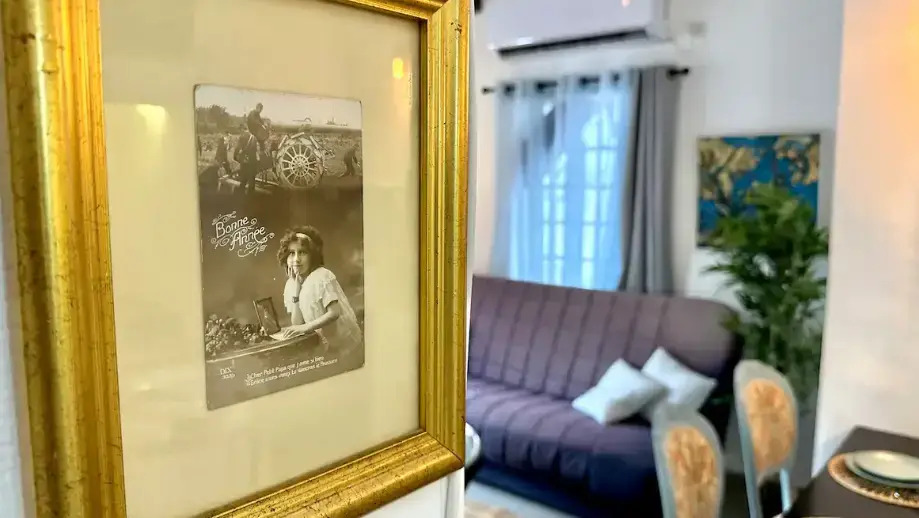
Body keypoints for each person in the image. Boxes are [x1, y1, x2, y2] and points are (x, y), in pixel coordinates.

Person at [277, 227, 362, 357]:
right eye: (291, 253)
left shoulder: (322, 276)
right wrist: (296, 290)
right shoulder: (291, 284)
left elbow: (334, 313)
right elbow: (297, 323)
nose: (296, 259)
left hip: (344, 343)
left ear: (312, 256)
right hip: (324, 345)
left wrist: (305, 327)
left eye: (302, 253)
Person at [233, 128, 259, 195]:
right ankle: (251, 195)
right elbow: (257, 149)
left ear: (242, 129)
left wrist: (235, 156)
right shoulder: (254, 137)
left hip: (245, 160)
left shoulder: (242, 136)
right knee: (252, 179)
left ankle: (241, 194)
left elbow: (238, 147)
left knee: (243, 178)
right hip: (253, 160)